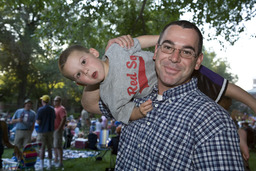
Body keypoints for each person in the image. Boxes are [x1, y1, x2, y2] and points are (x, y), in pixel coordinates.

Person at [83, 20, 244, 170]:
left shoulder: (213, 121)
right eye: (168, 47)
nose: (174, 58)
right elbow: (89, 104)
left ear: (197, 61)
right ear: (156, 51)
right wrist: (102, 66)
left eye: (187, 52)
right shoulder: (132, 95)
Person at [59, 33, 256, 126]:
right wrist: (138, 111)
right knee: (211, 110)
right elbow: (123, 113)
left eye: (84, 62)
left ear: (93, 52)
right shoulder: (109, 95)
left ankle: (253, 104)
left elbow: (139, 42)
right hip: (167, 89)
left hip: (171, 66)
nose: (85, 71)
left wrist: (166, 41)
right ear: (80, 83)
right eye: (78, 75)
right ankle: (235, 131)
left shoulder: (115, 49)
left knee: (221, 86)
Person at [36, 95, 56, 170]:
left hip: (42, 131)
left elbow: (38, 121)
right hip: (50, 131)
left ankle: (41, 166)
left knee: (42, 149)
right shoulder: (52, 109)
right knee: (50, 148)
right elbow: (54, 118)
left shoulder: (40, 110)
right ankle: (50, 165)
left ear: (43, 101)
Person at [53, 96, 67, 168]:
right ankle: (55, 160)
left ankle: (61, 162)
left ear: (60, 101)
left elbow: (63, 118)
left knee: (58, 146)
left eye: (57, 101)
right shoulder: (55, 109)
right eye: (54, 100)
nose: (55, 102)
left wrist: (59, 128)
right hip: (53, 129)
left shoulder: (61, 108)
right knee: (55, 146)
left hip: (58, 130)